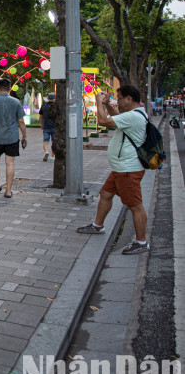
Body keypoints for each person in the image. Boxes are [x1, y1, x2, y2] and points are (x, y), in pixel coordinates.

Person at [77, 86, 149, 254]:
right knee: (106, 194)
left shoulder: (133, 116)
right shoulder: (136, 114)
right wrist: (108, 104)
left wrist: (99, 103)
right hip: (121, 168)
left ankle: (141, 242)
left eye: (120, 99)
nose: (119, 102)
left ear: (129, 99)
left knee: (135, 205)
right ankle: (98, 225)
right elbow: (118, 118)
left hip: (128, 170)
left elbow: (103, 122)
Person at [0, 78, 27, 198]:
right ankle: (8, 191)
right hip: (12, 136)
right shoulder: (16, 102)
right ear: (10, 88)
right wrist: (24, 136)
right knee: (10, 163)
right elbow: (21, 121)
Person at [40, 92, 56, 162]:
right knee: (54, 142)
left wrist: (42, 124)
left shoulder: (44, 106)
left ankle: (46, 151)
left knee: (45, 141)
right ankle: (53, 155)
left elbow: (41, 117)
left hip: (46, 126)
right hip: (54, 126)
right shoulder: (56, 106)